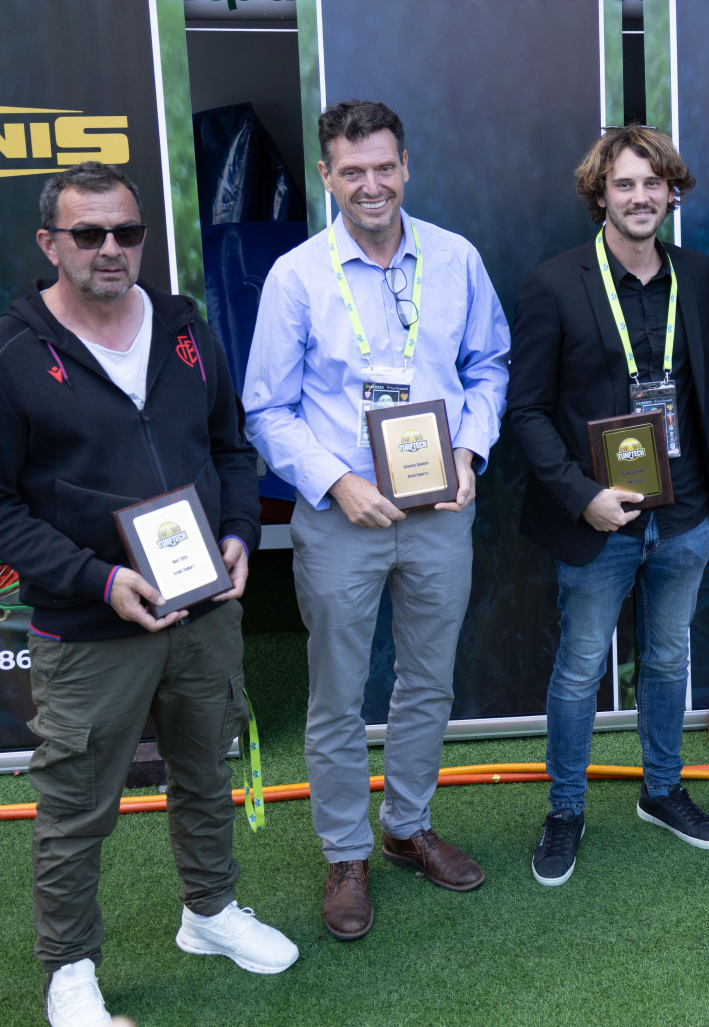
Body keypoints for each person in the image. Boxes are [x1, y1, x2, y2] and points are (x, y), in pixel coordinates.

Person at [0, 162, 295, 1027]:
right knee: (76, 807)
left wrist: (238, 532)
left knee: (204, 771)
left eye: (127, 231)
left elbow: (230, 450)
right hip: (90, 623)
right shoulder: (9, 354)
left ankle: (209, 911)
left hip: (203, 607)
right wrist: (97, 578)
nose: (111, 248)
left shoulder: (185, 331)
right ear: (50, 243)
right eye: (88, 233)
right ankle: (69, 967)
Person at [242, 101, 510, 941]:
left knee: (428, 680)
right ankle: (345, 853)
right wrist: (336, 481)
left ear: (406, 168)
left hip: (440, 509)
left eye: (384, 167)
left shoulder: (456, 259)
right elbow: (265, 408)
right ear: (326, 176)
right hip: (342, 517)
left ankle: (406, 827)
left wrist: (469, 451)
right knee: (337, 693)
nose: (371, 184)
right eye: (352, 170)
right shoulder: (297, 277)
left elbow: (489, 365)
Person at [507, 125, 709, 886]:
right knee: (579, 670)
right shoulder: (552, 283)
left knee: (668, 660)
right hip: (600, 520)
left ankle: (662, 790)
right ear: (600, 194)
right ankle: (565, 808)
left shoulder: (696, 272)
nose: (640, 197)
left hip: (684, 513)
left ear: (672, 193)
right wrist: (584, 497)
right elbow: (526, 410)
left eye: (653, 183)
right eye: (625, 184)